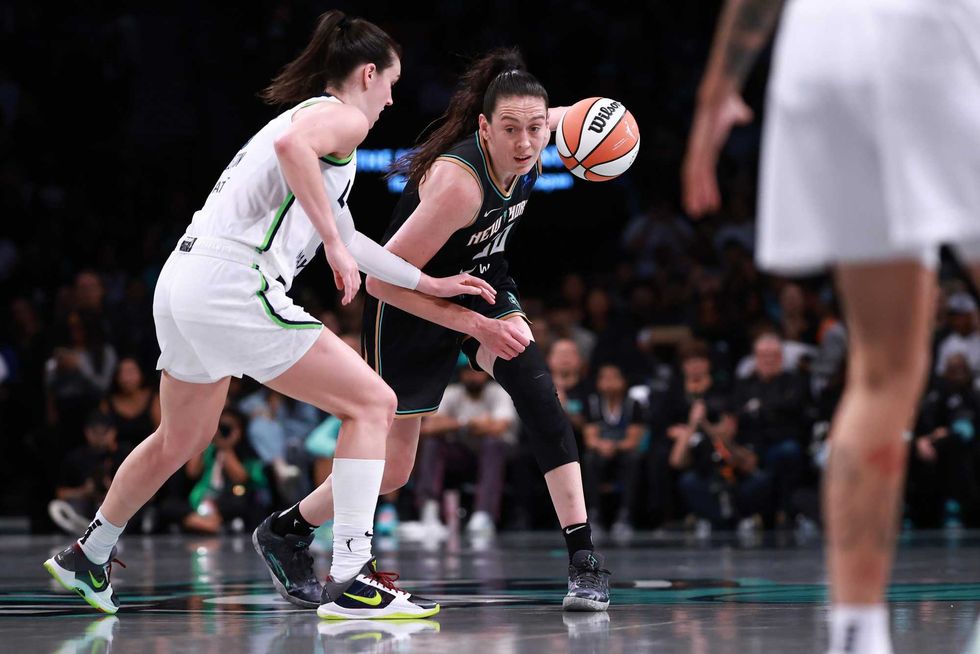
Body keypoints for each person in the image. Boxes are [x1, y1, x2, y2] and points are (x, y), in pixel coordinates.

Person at [43, 10, 495, 619]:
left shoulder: (304, 123)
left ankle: (89, 553)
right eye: (390, 82)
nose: (391, 98)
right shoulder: (339, 118)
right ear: (367, 74)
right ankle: (352, 578)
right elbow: (298, 164)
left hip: (183, 281)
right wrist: (331, 247)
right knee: (374, 404)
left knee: (181, 437)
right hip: (232, 284)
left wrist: (428, 281)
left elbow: (348, 235)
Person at [255, 47, 611, 612]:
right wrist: (473, 325)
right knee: (394, 471)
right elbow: (381, 282)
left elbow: (585, 118)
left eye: (536, 130)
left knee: (539, 393)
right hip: (410, 301)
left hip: (481, 281)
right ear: (485, 129)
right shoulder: (459, 184)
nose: (525, 144)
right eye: (511, 130)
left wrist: (616, 125)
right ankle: (287, 528)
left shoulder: (538, 132)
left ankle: (583, 559)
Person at [683, 1, 980, 652]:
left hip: (821, 48)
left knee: (881, 375)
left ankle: (857, 634)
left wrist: (717, 91)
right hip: (940, 33)